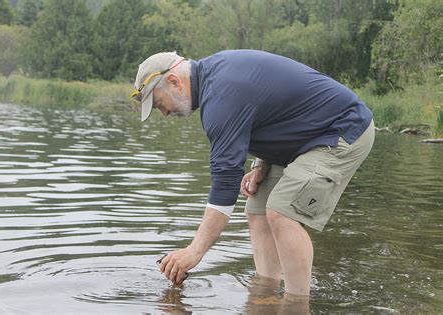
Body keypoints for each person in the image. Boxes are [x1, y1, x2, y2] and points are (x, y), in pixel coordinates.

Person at [131, 50, 374, 302]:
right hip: (303, 137)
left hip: (341, 130)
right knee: (257, 208)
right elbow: (272, 110)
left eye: (159, 103)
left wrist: (195, 251)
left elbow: (225, 185)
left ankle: (296, 304)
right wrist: (260, 163)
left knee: (282, 211)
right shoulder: (217, 81)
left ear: (174, 82)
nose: (165, 113)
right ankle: (266, 296)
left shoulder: (221, 97)